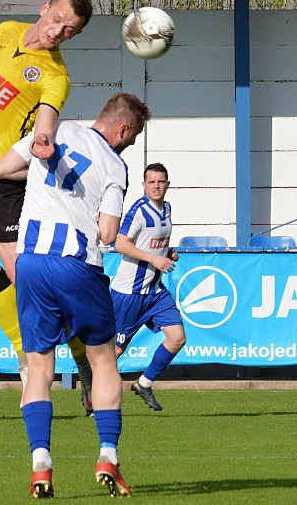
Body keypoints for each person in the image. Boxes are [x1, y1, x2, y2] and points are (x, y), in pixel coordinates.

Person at [0, 93, 152, 498]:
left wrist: (37, 174)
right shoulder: (115, 164)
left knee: (38, 365)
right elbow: (109, 234)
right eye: (131, 137)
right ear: (122, 129)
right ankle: (108, 456)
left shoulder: (57, 129)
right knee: (102, 360)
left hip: (30, 262)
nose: (128, 144)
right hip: (77, 264)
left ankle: (41, 464)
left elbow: (2, 168)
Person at [0, 0, 94, 387]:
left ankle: (80, 350)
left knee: (23, 273)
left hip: (4, 180)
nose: (58, 31)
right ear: (44, 8)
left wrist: (43, 143)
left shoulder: (56, 77)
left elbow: (44, 125)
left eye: (69, 30)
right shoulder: (5, 29)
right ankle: (22, 352)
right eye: (57, 20)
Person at [111, 163, 185, 412]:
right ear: (143, 185)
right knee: (115, 351)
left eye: (161, 181)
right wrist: (155, 259)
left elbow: (154, 241)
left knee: (177, 338)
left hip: (154, 291)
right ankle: (93, 394)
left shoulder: (167, 209)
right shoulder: (138, 212)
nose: (156, 186)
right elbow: (120, 244)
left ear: (168, 184)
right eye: (151, 182)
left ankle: (144, 383)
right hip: (130, 292)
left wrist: (167, 252)